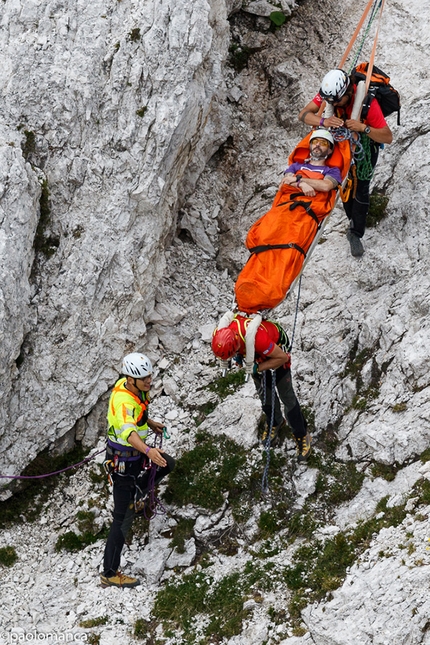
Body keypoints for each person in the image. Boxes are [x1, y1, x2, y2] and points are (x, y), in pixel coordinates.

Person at [298, 68, 393, 257]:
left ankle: (356, 232)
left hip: (364, 146)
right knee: (341, 182)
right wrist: (324, 121)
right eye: (330, 101)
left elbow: (387, 136)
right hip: (340, 142)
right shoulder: (330, 94)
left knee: (361, 185)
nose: (333, 104)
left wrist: (363, 128)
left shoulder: (368, 103)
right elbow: (304, 115)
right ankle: (347, 217)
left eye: (337, 101)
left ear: (348, 93)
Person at [100, 352, 175, 588]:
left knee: (168, 464)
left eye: (149, 376)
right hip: (123, 464)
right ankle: (110, 572)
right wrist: (148, 450)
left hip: (133, 460)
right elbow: (129, 433)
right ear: (130, 379)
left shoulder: (130, 387)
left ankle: (137, 495)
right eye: (143, 379)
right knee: (122, 519)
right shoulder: (123, 402)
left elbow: (137, 414)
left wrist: (150, 423)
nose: (149, 381)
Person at [211, 316, 311, 463]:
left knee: (286, 396)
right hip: (254, 355)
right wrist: (240, 359)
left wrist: (257, 367)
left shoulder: (259, 338)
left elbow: (282, 357)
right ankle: (276, 421)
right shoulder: (220, 336)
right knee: (265, 394)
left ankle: (302, 434)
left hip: (275, 349)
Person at [280, 129, 342, 196]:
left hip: (312, 205)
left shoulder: (333, 171)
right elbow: (285, 182)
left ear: (329, 150)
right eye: (315, 141)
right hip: (287, 203)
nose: (317, 144)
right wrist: (300, 184)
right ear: (310, 146)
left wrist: (297, 179)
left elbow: (326, 186)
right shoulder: (295, 166)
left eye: (323, 143)